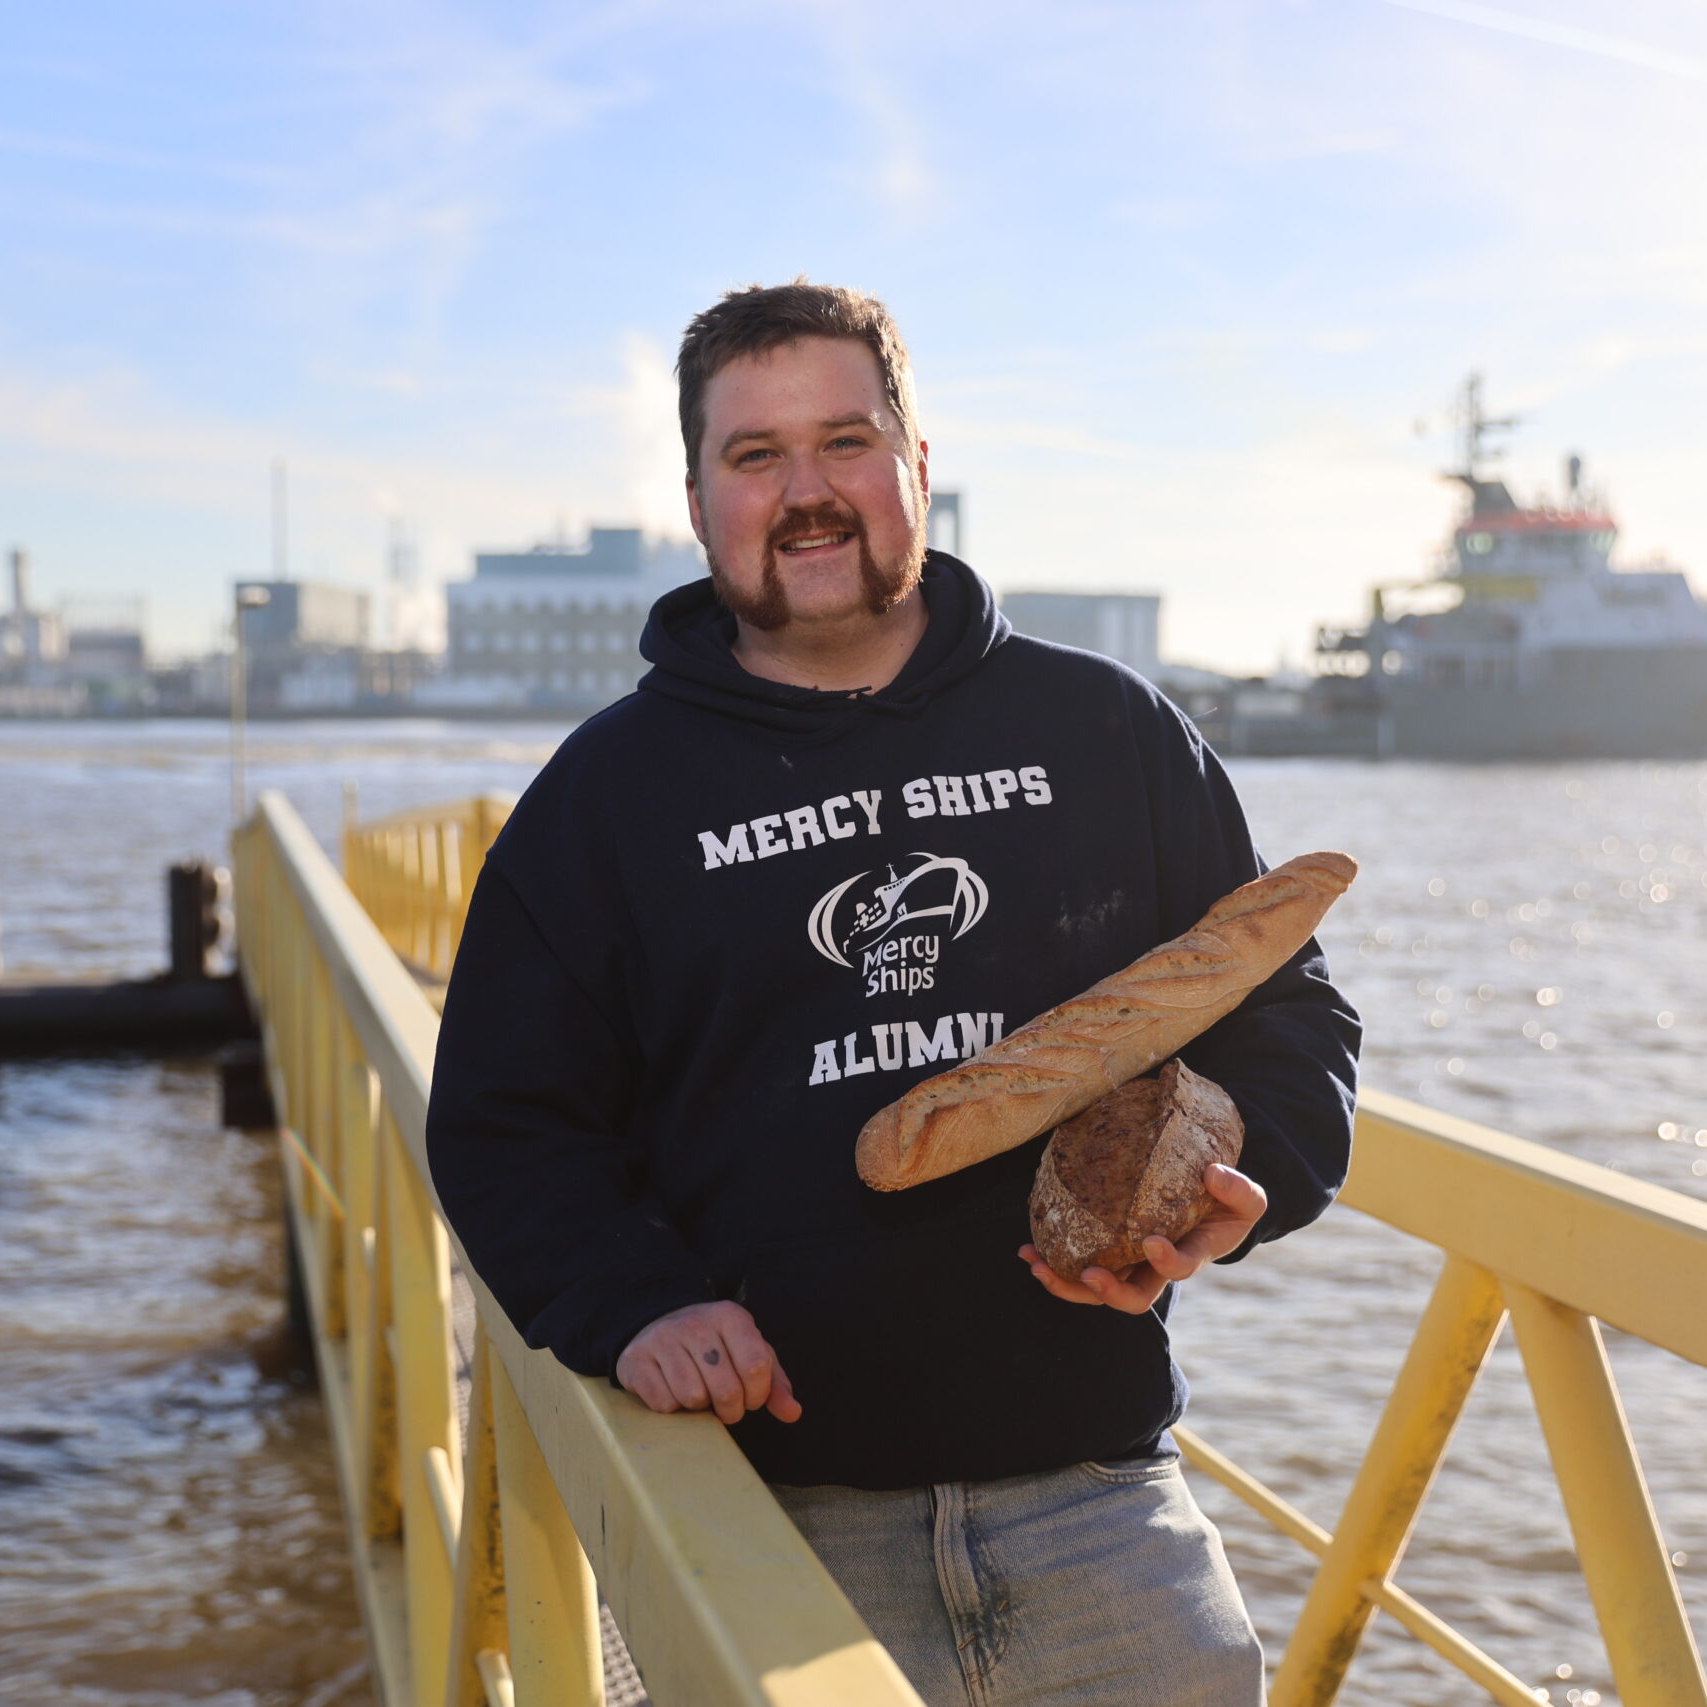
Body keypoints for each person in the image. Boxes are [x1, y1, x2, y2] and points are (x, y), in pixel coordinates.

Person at [424, 280, 1360, 1705]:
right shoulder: (606, 799)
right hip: (764, 1513)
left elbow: (1282, 1008)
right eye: (755, 455)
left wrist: (1241, 1175)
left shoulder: (1103, 730)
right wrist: (637, 1305)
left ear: (918, 466)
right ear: (698, 500)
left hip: (1099, 1504)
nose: (806, 493)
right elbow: (507, 1123)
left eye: (846, 442)